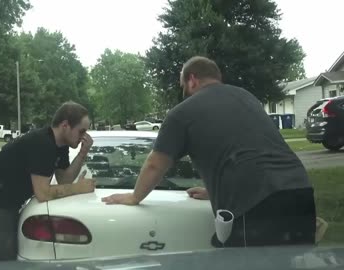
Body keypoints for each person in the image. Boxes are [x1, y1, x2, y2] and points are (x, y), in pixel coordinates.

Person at [102, 56, 316, 247]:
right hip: (299, 191)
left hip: (254, 203)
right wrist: (216, 189)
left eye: (182, 86)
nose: (184, 92)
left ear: (192, 79)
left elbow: (155, 164)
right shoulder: (246, 97)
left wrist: (134, 197)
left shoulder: (183, 113)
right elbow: (247, 149)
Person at [0, 101, 96, 264]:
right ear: (65, 125)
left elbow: (64, 178)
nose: (84, 137)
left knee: (9, 256)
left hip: (7, 202)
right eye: (82, 131)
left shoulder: (60, 145)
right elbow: (42, 193)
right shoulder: (42, 143)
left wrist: (83, 152)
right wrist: (77, 188)